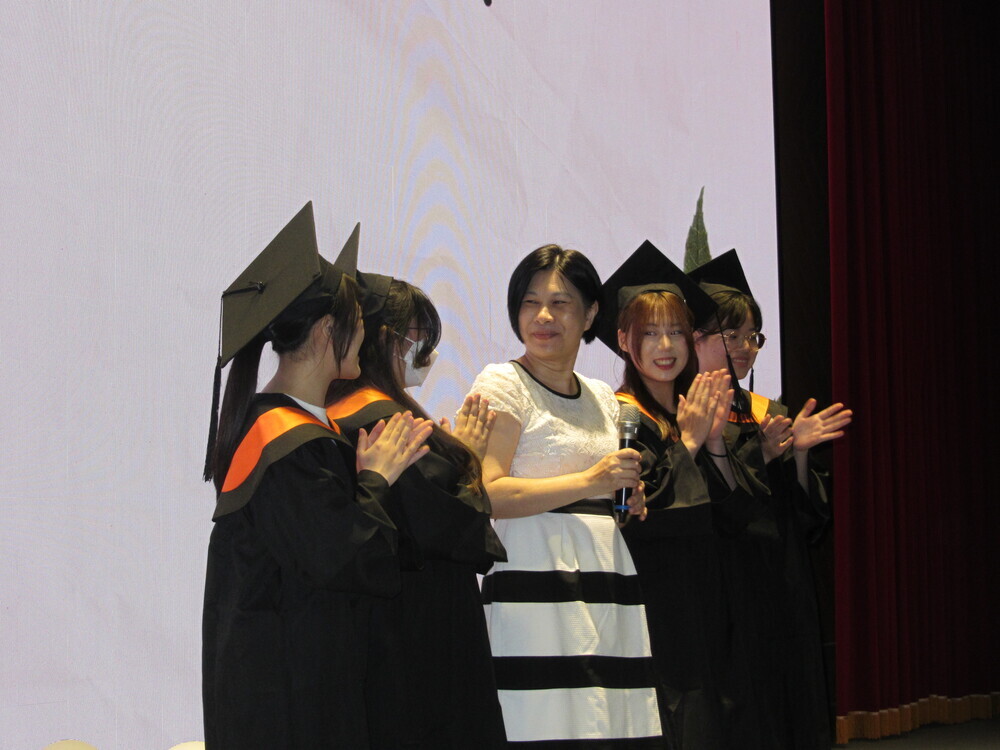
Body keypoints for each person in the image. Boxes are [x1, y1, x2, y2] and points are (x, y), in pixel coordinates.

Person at [201, 204, 433, 748]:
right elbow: (351, 560)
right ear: (331, 330)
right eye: (359, 322)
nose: (367, 335)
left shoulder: (298, 428)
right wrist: (375, 481)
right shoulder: (284, 442)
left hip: (303, 688)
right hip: (287, 704)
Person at [469, 245, 663, 747]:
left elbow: (602, 489)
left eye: (560, 303)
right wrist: (590, 482)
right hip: (533, 580)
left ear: (591, 314)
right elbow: (489, 493)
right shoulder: (503, 383)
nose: (543, 316)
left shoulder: (602, 397)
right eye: (530, 302)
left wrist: (626, 498)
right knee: (542, 721)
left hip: (604, 578)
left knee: (607, 721)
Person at [326, 274, 508, 749]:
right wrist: (470, 461)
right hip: (423, 625)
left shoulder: (337, 412)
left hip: (382, 619)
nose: (425, 351)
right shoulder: (385, 421)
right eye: (419, 336)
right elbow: (457, 526)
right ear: (387, 338)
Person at [597, 241, 761, 749]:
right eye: (650, 333)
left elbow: (734, 516)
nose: (665, 346)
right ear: (623, 339)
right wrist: (687, 443)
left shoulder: (688, 412)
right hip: (659, 609)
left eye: (676, 332)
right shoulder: (620, 418)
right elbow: (640, 515)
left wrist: (712, 442)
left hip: (708, 601)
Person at [689, 249, 852, 750]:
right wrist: (757, 453)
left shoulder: (768, 412)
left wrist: (798, 455)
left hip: (781, 582)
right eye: (731, 335)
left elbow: (804, 519)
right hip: (724, 586)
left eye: (753, 337)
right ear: (695, 338)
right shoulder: (681, 415)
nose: (745, 348)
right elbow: (706, 504)